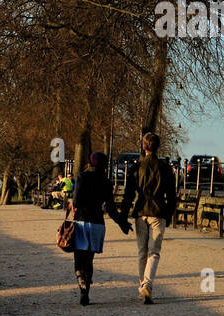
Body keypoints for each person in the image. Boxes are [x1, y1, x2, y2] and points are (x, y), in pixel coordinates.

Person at [121, 131, 178, 304]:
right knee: (154, 252)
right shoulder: (166, 168)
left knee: (142, 252)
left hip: (141, 211)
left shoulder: (136, 167)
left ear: (143, 146)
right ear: (158, 147)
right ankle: (147, 285)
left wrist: (123, 216)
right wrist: (168, 214)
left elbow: (128, 195)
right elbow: (172, 197)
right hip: (158, 211)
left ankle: (142, 287)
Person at [67, 152, 129, 305]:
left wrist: (73, 205)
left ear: (90, 162)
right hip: (97, 223)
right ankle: (86, 288)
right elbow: (111, 207)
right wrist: (122, 222)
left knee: (79, 256)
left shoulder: (82, 177)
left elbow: (76, 201)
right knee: (89, 258)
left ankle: (81, 280)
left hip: (81, 220)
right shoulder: (106, 182)